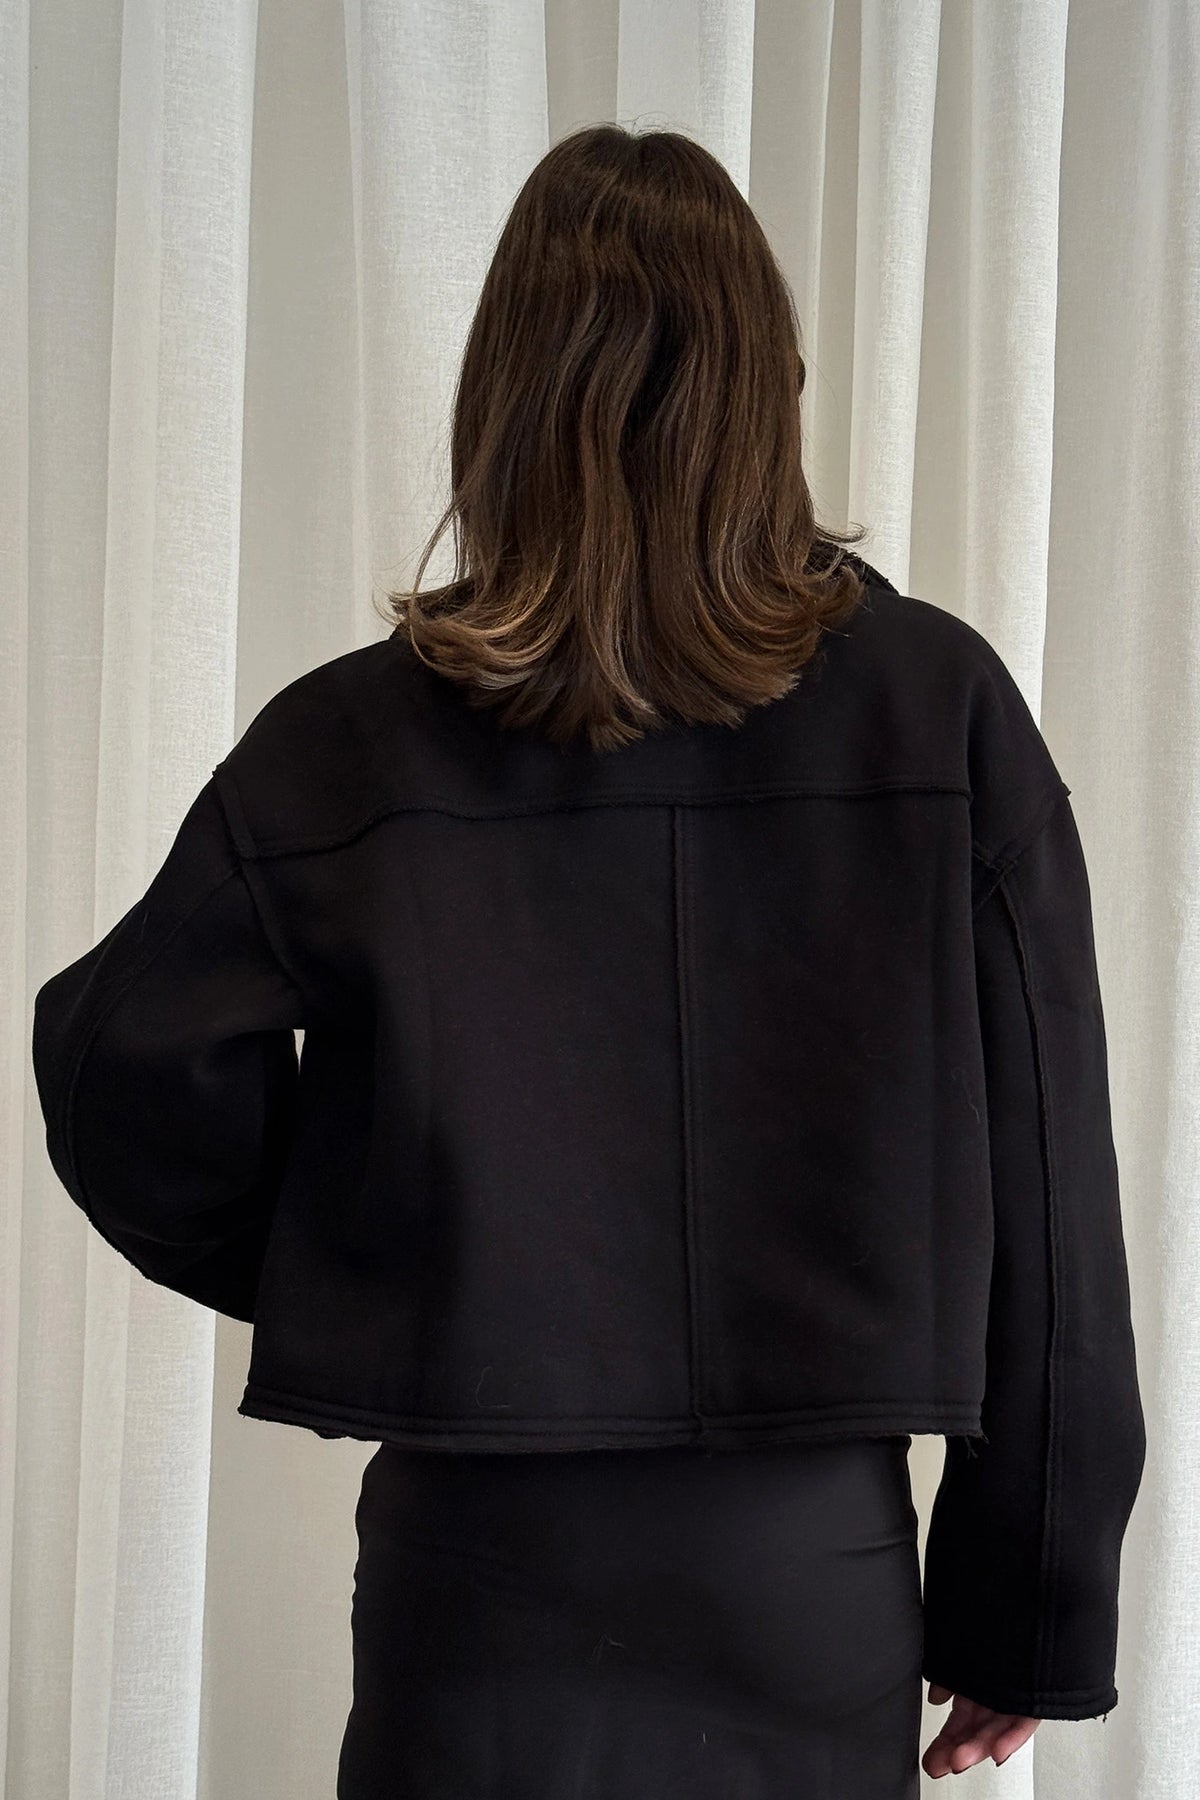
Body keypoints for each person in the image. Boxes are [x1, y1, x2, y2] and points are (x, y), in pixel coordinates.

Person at [30, 124, 1146, 1798]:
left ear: (504, 395)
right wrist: (1028, 1610)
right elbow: (1055, 1196)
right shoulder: (944, 711)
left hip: (476, 1581)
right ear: (767, 387)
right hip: (808, 1577)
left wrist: (381, 1251)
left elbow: (119, 1059)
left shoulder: (351, 740)